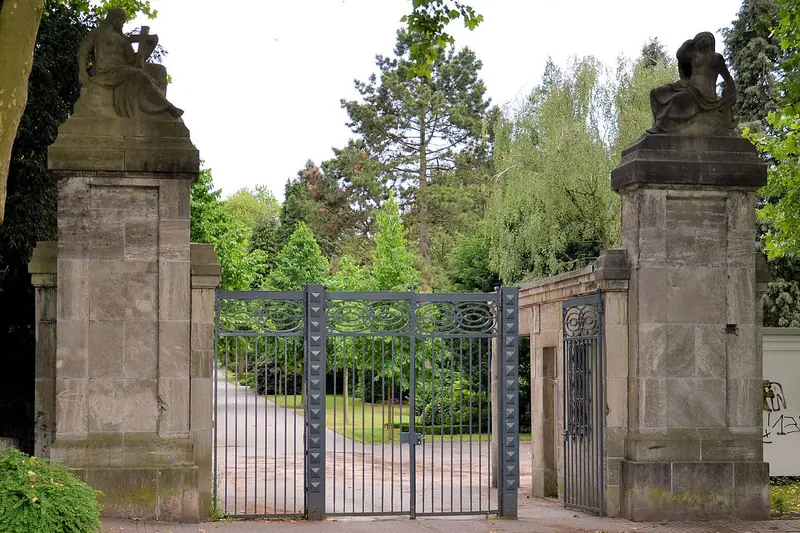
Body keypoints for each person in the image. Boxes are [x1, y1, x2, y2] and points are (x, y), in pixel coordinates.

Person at [78, 8, 183, 119]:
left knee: (160, 70)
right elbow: (83, 51)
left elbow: (134, 61)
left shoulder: (123, 39)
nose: (122, 23)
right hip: (107, 70)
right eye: (120, 19)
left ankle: (160, 111)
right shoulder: (98, 33)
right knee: (140, 75)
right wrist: (82, 71)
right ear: (112, 18)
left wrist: (149, 46)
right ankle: (167, 107)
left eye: (123, 20)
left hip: (124, 68)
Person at [647, 32, 736, 135]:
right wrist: (690, 42)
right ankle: (657, 122)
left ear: (711, 40)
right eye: (699, 38)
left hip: (704, 95)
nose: (702, 40)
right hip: (688, 87)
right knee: (657, 92)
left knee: (677, 98)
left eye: (705, 37)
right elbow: (680, 55)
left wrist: (731, 92)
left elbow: (727, 77)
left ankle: (662, 127)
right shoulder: (694, 55)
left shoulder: (716, 58)